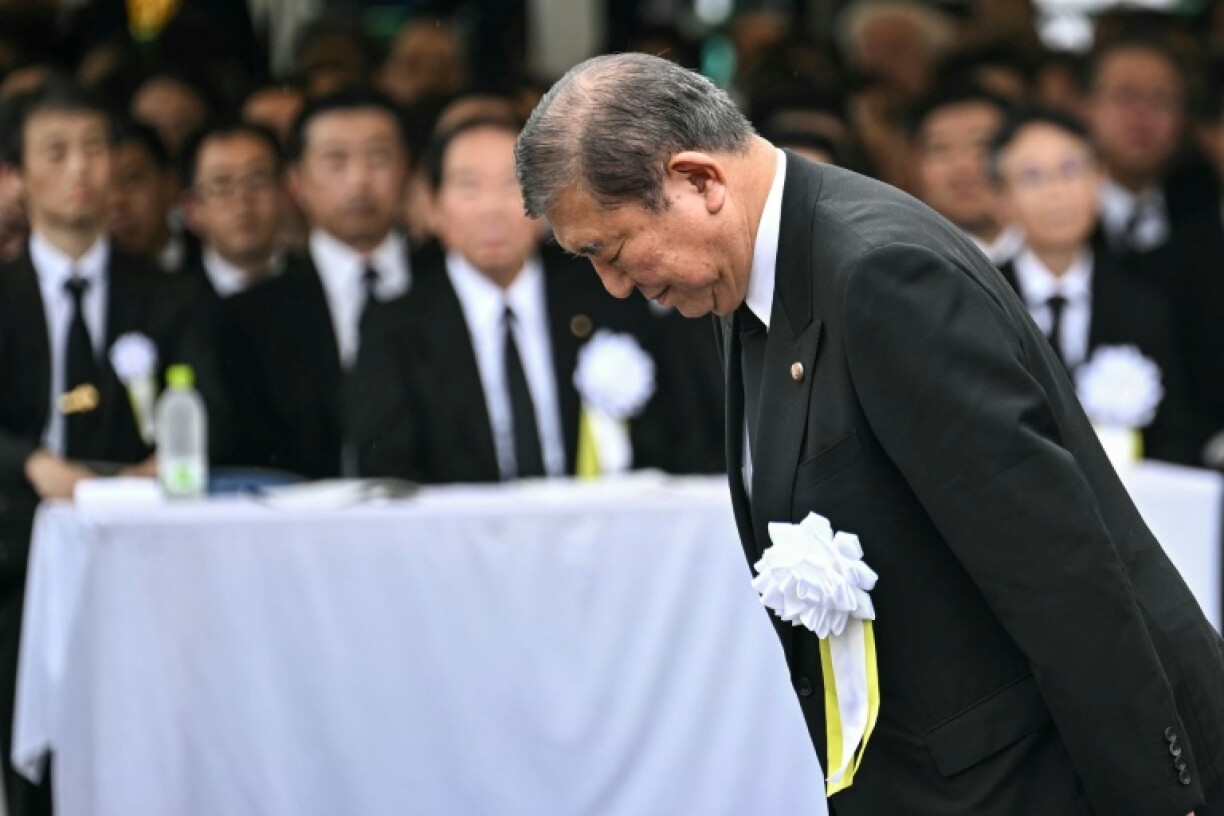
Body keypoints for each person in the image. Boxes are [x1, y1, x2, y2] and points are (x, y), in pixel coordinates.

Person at [515, 52, 1224, 816]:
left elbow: (1059, 572)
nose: (616, 287)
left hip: (1038, 779)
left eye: (611, 251)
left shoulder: (882, 276)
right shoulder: (742, 280)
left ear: (698, 181)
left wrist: (1161, 800)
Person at [0, 80, 231, 816]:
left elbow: (211, 406)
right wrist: (31, 466)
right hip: (14, 559)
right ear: (16, 176)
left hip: (145, 552)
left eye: (95, 149)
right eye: (56, 152)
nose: (80, 169)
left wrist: (162, 464)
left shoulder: (170, 292)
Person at [350, 116, 685, 482]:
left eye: (513, 185)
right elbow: (387, 470)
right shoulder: (395, 326)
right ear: (433, 206)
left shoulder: (608, 297)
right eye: (469, 187)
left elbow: (669, 441)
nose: (492, 208)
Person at [989, 108, 1206, 465]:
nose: (1056, 192)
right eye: (1032, 177)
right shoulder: (979, 298)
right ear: (1000, 200)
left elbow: (1173, 437)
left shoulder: (1145, 304)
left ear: (1100, 179)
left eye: (1071, 171)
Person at [222, 89, 411, 480]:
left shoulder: (449, 286)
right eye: (335, 161)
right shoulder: (249, 315)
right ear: (295, 182)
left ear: (406, 169)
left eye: (378, 158)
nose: (359, 181)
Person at [908, 83, 1022, 265]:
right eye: (941, 148)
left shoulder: (1064, 249)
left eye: (981, 145)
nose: (963, 165)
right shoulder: (906, 263)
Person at [180, 121, 288, 298]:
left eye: (258, 179)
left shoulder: (321, 283)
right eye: (221, 183)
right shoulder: (171, 300)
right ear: (192, 208)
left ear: (284, 192)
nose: (243, 201)